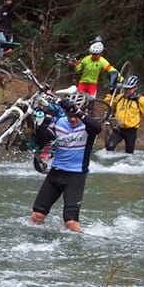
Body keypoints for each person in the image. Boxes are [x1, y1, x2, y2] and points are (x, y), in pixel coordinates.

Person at [30, 92, 102, 233]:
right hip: (55, 173)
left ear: (84, 111)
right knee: (36, 216)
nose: (72, 120)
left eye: (75, 116)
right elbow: (42, 139)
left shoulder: (88, 126)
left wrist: (77, 112)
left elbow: (97, 128)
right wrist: (46, 118)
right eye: (69, 116)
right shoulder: (59, 122)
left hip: (76, 176)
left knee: (70, 223)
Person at [104, 75, 144, 153]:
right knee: (109, 147)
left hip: (131, 130)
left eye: (129, 88)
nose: (127, 90)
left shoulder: (141, 100)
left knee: (129, 153)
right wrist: (110, 94)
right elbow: (108, 107)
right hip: (118, 129)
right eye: (126, 88)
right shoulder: (119, 97)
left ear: (135, 88)